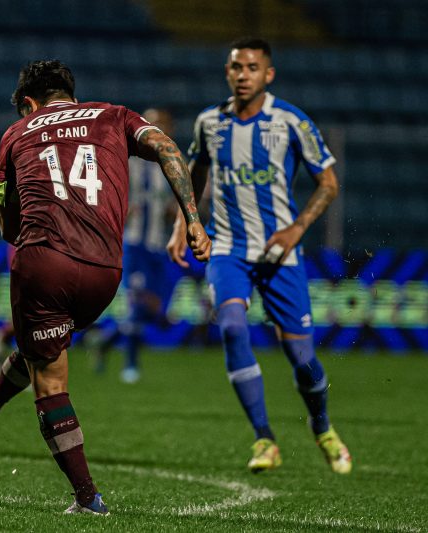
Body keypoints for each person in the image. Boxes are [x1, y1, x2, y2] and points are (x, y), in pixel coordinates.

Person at [0, 60, 211, 514]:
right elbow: (169, 149)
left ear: (29, 103)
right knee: (45, 347)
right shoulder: (113, 115)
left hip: (46, 263)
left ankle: (87, 498)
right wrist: (191, 220)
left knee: (49, 376)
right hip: (105, 272)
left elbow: (6, 225)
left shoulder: (17, 134)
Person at [167, 37, 352, 474]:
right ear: (227, 72)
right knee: (231, 326)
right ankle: (264, 438)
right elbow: (194, 175)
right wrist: (183, 223)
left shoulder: (290, 121)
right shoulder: (209, 122)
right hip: (228, 247)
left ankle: (322, 426)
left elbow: (328, 183)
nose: (243, 75)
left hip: (279, 252)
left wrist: (296, 229)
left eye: (252, 68)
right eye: (236, 67)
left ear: (268, 74)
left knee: (303, 361)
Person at [87, 108, 178, 384]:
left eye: (162, 124)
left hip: (158, 246)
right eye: (152, 124)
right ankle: (130, 365)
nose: (156, 129)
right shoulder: (127, 162)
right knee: (138, 304)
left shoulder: (170, 165)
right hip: (134, 244)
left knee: (156, 310)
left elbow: (173, 208)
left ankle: (105, 340)